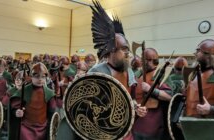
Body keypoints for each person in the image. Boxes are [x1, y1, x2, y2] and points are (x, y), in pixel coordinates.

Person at [56, 1, 147, 140]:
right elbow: (84, 107)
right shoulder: (97, 72)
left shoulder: (129, 72)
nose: (127, 53)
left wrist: (136, 107)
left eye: (127, 49)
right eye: (123, 49)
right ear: (111, 51)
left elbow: (129, 99)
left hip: (125, 133)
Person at [132, 48, 173, 140]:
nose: (149, 63)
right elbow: (131, 96)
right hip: (136, 122)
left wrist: (151, 89)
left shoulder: (161, 73)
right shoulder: (137, 74)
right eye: (147, 59)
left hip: (154, 124)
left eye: (152, 60)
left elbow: (170, 96)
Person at [9, 62, 57, 140]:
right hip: (26, 128)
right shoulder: (24, 90)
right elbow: (14, 107)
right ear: (31, 76)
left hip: (43, 129)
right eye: (37, 76)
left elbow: (52, 113)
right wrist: (16, 112)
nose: (40, 79)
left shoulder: (49, 93)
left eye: (43, 77)